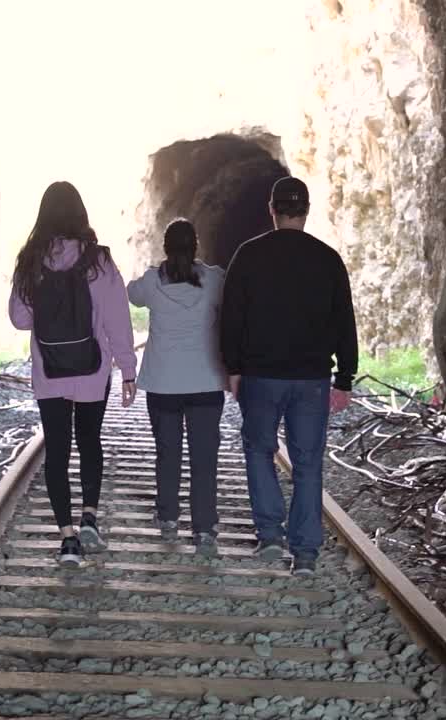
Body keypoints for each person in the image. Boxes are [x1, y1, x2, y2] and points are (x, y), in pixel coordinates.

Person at [219, 176, 358, 577]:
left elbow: (232, 317)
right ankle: (306, 554)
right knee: (309, 463)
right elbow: (344, 321)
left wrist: (234, 368)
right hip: (312, 378)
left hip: (262, 376)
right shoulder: (328, 259)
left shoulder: (248, 255)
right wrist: (344, 377)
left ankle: (270, 536)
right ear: (307, 210)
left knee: (259, 450)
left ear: (272, 209)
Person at [9, 181, 137, 567]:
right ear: (81, 214)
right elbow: (118, 319)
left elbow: (18, 318)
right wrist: (128, 370)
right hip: (93, 371)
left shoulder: (31, 259)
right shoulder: (98, 261)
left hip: (50, 371)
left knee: (58, 453)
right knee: (90, 442)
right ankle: (90, 517)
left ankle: (67, 540)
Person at [127, 219, 228, 558]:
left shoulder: (153, 282)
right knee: (204, 459)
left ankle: (168, 516)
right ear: (196, 246)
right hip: (205, 382)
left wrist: (154, 269)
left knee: (167, 453)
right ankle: (204, 529)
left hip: (164, 384)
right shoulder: (214, 279)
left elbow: (130, 294)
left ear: (166, 247)